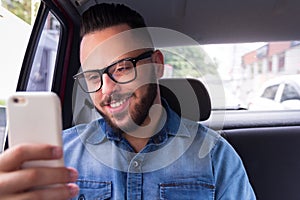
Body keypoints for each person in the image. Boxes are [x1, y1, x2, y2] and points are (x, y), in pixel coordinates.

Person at [0, 3, 256, 200]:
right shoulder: (60, 157)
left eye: (122, 68)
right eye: (92, 76)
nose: (108, 89)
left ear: (157, 66)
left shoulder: (216, 158)